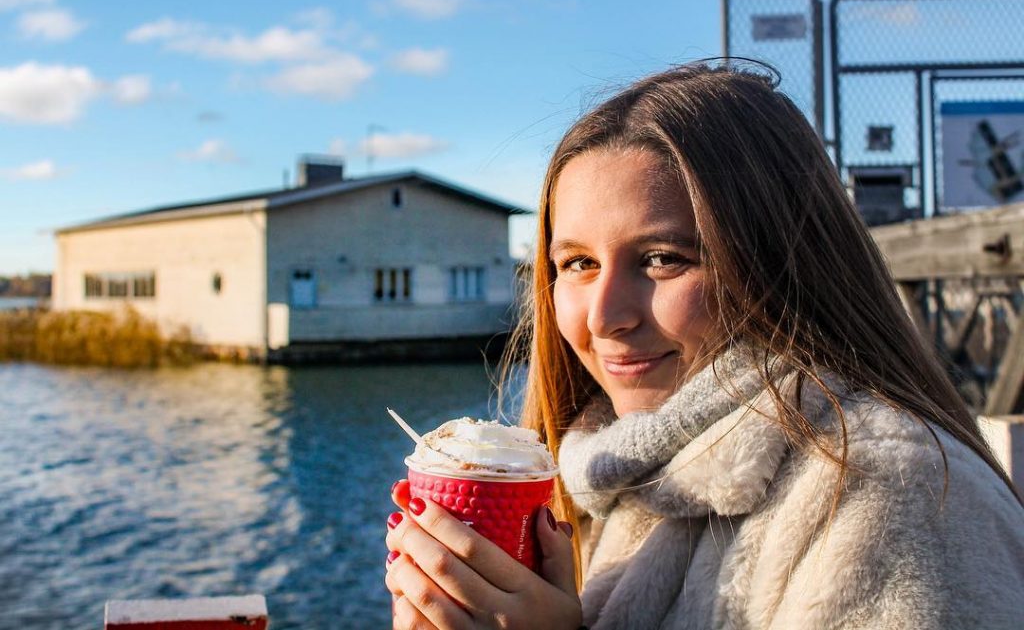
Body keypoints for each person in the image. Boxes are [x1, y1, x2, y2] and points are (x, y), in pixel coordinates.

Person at [384, 61, 1024, 629]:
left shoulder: (892, 498)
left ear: (784, 262)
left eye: (662, 259)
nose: (604, 317)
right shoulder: (619, 475)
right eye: (577, 263)